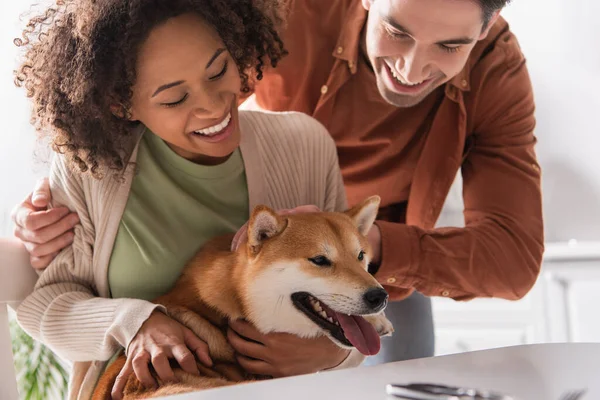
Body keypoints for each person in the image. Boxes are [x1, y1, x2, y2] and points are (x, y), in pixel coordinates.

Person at [13, 0, 544, 365]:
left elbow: (513, 258)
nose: (410, 66)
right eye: (396, 31)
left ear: (484, 31)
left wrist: (356, 247)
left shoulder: (495, 71)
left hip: (379, 265)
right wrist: (58, 197)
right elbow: (171, 65)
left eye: (450, 46)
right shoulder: (290, 15)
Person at [12, 1, 365, 399]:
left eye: (218, 71)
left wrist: (330, 353)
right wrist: (134, 322)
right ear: (120, 104)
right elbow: (45, 305)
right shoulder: (92, 171)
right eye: (174, 98)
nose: (214, 106)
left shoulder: (305, 145)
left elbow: (354, 288)